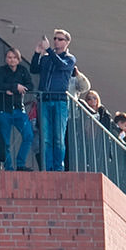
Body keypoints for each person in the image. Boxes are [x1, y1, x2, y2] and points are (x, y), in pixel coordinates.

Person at [29, 28, 78, 172]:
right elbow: (34, 69)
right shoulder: (47, 58)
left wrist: (49, 50)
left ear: (67, 42)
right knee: (46, 137)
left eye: (60, 39)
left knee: (58, 138)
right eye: (55, 38)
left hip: (60, 101)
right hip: (45, 101)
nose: (56, 41)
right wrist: (37, 53)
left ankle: (58, 168)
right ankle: (48, 167)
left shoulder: (70, 59)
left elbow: (61, 65)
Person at [0, 47, 33, 170]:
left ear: (18, 59)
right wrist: (15, 87)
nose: (12, 60)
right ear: (6, 59)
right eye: (9, 57)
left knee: (28, 135)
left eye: (14, 57)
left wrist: (17, 88)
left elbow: (30, 85)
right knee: (5, 142)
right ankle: (9, 168)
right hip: (3, 110)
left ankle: (20, 164)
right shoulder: (0, 71)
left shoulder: (23, 71)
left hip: (18, 109)